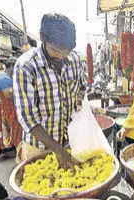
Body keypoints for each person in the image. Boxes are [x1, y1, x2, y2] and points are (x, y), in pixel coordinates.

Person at [13, 13, 82, 170]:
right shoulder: (26, 66)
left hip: (69, 141)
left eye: (67, 51)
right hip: (38, 147)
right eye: (56, 50)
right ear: (42, 38)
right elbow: (27, 118)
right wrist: (57, 148)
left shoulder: (75, 60)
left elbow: (80, 89)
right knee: (40, 188)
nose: (62, 56)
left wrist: (80, 102)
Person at [0, 57, 23, 154]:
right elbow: (8, 94)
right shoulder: (3, 77)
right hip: (10, 108)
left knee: (15, 128)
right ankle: (18, 149)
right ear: (11, 66)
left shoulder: (9, 77)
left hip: (12, 107)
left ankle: (16, 147)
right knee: (16, 128)